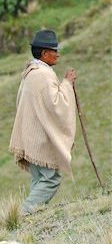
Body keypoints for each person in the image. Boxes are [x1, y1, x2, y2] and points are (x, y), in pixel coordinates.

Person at [9, 29, 77, 214]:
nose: (57, 54)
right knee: (50, 180)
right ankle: (23, 214)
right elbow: (56, 105)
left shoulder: (31, 72)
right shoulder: (44, 76)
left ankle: (29, 218)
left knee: (39, 179)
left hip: (29, 135)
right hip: (38, 138)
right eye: (54, 50)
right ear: (44, 53)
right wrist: (67, 84)